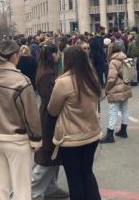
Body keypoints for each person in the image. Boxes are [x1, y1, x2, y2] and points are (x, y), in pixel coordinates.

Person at [0, 40, 42, 200]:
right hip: (17, 140)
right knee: (22, 190)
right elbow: (31, 114)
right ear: (15, 56)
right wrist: (36, 139)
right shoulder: (22, 81)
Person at [48, 46, 102, 200]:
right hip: (91, 134)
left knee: (74, 179)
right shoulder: (91, 78)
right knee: (87, 173)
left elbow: (52, 110)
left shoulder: (63, 82)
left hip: (71, 138)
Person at [32, 43, 69, 199]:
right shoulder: (47, 74)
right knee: (48, 155)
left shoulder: (46, 70)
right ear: (53, 55)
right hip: (49, 118)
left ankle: (50, 188)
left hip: (50, 116)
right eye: (57, 53)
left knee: (53, 154)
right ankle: (32, 192)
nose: (59, 55)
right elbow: (50, 100)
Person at [100, 41, 132, 143]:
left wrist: (107, 89)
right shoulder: (125, 58)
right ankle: (123, 130)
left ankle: (110, 135)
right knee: (125, 108)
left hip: (116, 88)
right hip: (125, 86)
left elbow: (111, 79)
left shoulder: (113, 61)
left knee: (113, 110)